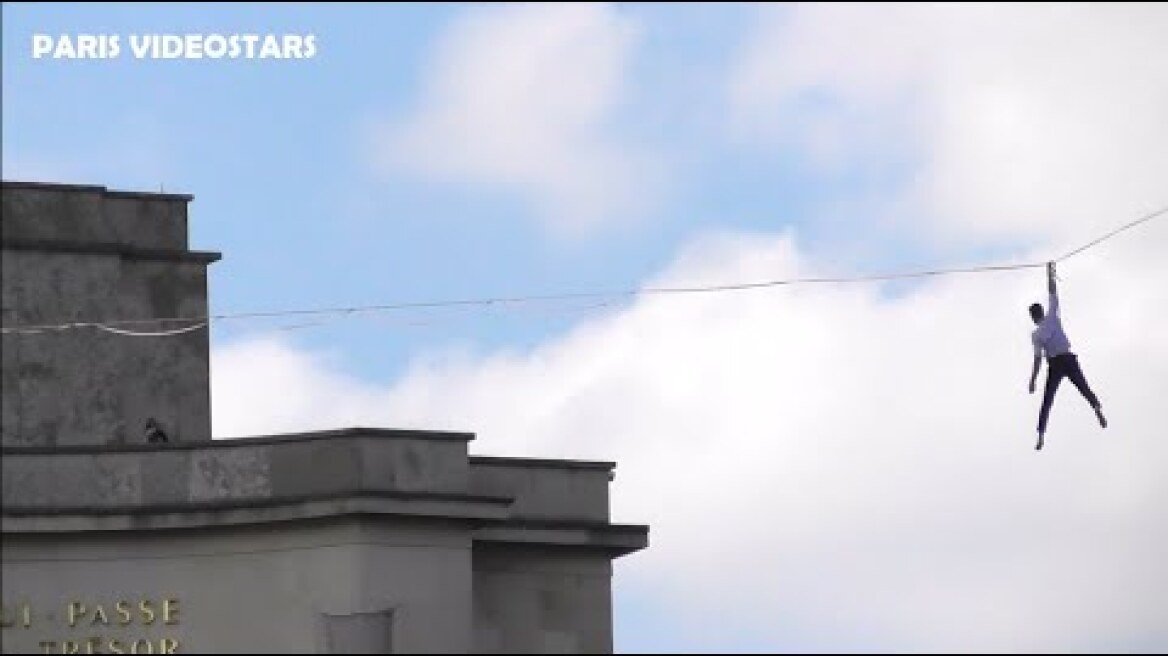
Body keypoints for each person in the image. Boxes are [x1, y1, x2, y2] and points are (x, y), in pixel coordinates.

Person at [1028, 262, 1107, 450]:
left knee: (1050, 400)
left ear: (1033, 317)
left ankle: (1041, 435)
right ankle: (1096, 408)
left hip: (1058, 363)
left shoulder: (1038, 333)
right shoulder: (1052, 317)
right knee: (1080, 388)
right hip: (1064, 360)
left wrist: (1032, 380)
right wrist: (1050, 273)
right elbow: (1053, 292)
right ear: (1040, 313)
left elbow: (1038, 360)